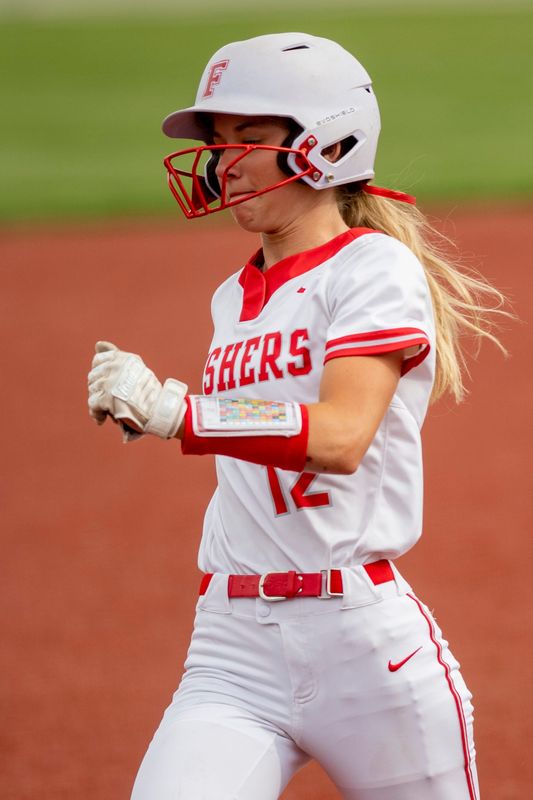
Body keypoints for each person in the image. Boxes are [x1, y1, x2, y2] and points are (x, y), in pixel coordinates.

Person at [87, 32, 506, 800]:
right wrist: (175, 412)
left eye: (250, 138)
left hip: (362, 648)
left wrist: (180, 411)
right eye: (217, 143)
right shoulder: (232, 296)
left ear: (327, 144)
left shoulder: (373, 269)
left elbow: (342, 436)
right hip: (231, 647)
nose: (223, 161)